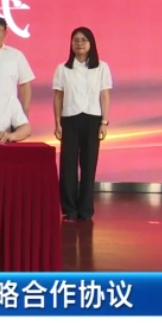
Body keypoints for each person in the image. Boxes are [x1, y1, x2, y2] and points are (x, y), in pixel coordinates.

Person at [53, 27, 112, 222]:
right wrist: (58, 123)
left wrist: (104, 122)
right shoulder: (63, 68)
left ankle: (86, 210)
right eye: (76, 40)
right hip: (69, 118)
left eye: (84, 40)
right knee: (68, 165)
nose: (79, 43)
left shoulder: (101, 67)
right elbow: (58, 96)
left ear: (91, 43)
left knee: (89, 164)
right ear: (71, 44)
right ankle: (69, 209)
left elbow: (104, 95)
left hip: (93, 119)